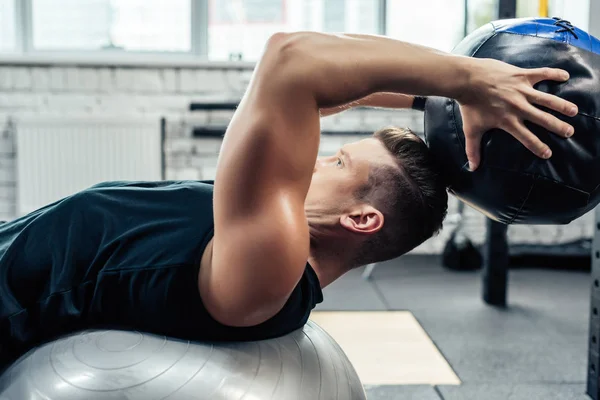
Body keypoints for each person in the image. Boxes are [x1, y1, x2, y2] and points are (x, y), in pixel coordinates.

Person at [0, 32, 578, 366]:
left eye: (339, 162)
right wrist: (438, 103)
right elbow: (315, 89)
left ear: (361, 218)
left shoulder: (268, 269)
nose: (320, 157)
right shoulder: (261, 238)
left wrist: (464, 79)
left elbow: (292, 61)